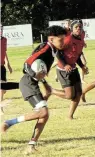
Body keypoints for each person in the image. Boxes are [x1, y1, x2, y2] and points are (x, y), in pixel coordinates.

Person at [1, 25, 67, 154]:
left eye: (64, 39)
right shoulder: (46, 47)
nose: (63, 42)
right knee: (43, 112)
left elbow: (40, 71)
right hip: (28, 83)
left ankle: (31, 145)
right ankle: (9, 122)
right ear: (52, 39)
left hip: (32, 83)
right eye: (61, 40)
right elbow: (27, 64)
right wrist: (35, 76)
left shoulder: (53, 50)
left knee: (44, 115)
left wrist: (44, 82)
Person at [51, 20, 88, 120]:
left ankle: (70, 116)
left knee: (78, 93)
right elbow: (57, 53)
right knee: (69, 95)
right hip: (63, 70)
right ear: (71, 29)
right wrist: (65, 64)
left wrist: (82, 66)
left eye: (80, 27)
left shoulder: (80, 40)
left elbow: (78, 54)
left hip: (73, 68)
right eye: (76, 27)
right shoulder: (68, 39)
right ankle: (50, 91)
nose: (78, 29)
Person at [0, 23, 13, 114]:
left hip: (2, 66)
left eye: (1, 28)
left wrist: (8, 64)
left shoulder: (4, 39)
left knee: (3, 90)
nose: (1, 30)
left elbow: (4, 52)